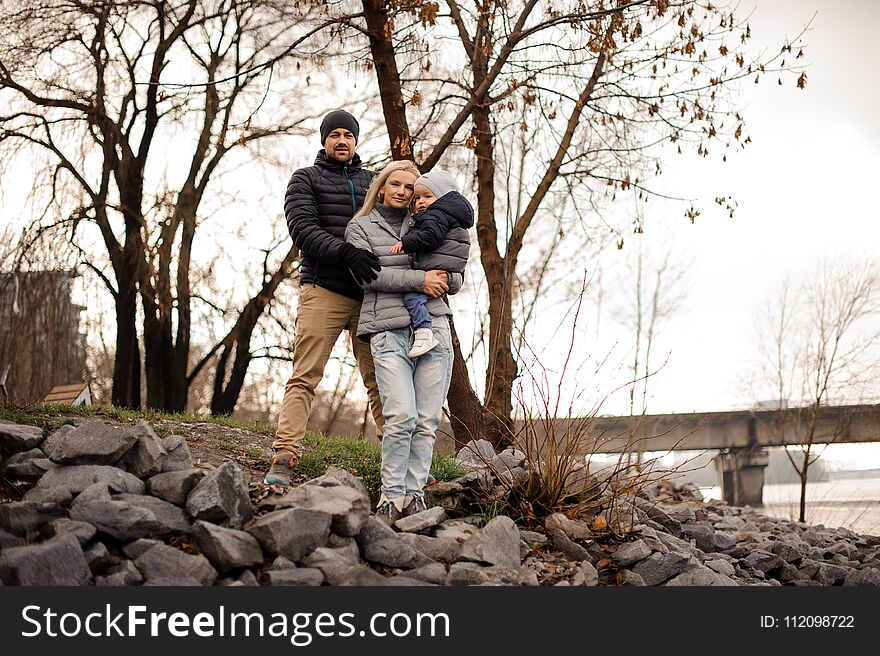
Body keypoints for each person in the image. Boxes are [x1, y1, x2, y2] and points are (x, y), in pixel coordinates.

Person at [264, 109, 385, 487]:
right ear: (324, 140)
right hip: (323, 290)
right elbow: (303, 231)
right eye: (334, 134)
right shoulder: (306, 179)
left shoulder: (374, 182)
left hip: (370, 296)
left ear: (356, 140)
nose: (342, 140)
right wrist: (346, 252)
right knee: (305, 375)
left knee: (381, 379)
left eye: (348, 135)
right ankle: (284, 455)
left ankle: (402, 459)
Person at [345, 160, 465, 524]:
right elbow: (368, 277)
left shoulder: (433, 221)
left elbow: (455, 277)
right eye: (394, 184)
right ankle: (390, 496)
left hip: (436, 327)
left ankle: (414, 497)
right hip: (387, 329)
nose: (402, 191)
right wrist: (420, 280)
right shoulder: (361, 227)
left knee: (426, 420)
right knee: (400, 416)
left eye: (409, 187)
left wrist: (440, 278)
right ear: (380, 187)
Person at [389, 169, 473, 358]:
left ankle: (424, 333)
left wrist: (406, 242)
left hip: (435, 267)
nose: (420, 202)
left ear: (443, 197)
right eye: (417, 198)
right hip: (449, 267)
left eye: (427, 196)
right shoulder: (453, 217)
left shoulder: (436, 215)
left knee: (413, 298)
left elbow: (430, 238)